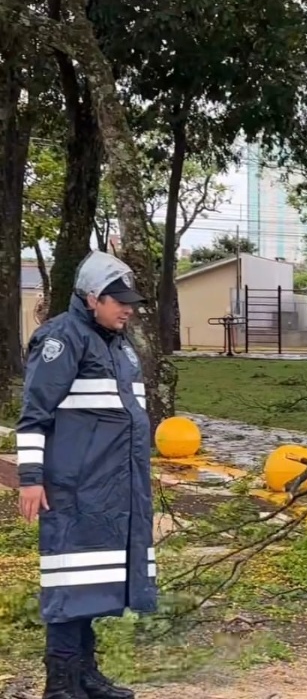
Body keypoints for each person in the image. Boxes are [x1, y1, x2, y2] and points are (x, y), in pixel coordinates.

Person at [16, 251, 157, 699]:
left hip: (115, 486)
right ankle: (60, 683)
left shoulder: (118, 343)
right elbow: (33, 416)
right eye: (120, 302)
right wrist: (31, 478)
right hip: (73, 487)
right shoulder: (62, 338)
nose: (128, 309)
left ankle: (84, 674)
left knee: (94, 581)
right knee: (68, 582)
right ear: (93, 297)